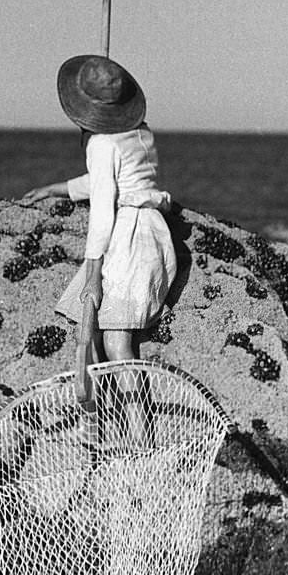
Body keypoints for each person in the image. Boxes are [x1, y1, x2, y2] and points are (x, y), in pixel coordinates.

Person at [23, 54, 177, 442]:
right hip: (152, 232)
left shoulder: (102, 143)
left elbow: (104, 209)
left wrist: (93, 272)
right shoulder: (139, 133)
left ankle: (139, 437)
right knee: (92, 331)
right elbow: (113, 180)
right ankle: (102, 424)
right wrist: (60, 188)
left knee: (114, 339)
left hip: (127, 239)